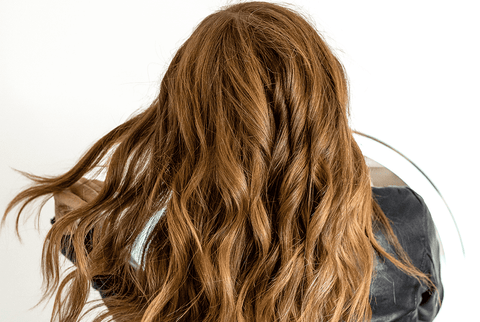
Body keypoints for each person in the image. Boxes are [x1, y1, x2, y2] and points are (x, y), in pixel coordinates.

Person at [2, 1, 443, 321]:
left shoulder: (152, 241)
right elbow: (426, 309)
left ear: (180, 120)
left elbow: (122, 274)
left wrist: (83, 232)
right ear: (324, 107)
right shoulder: (406, 223)